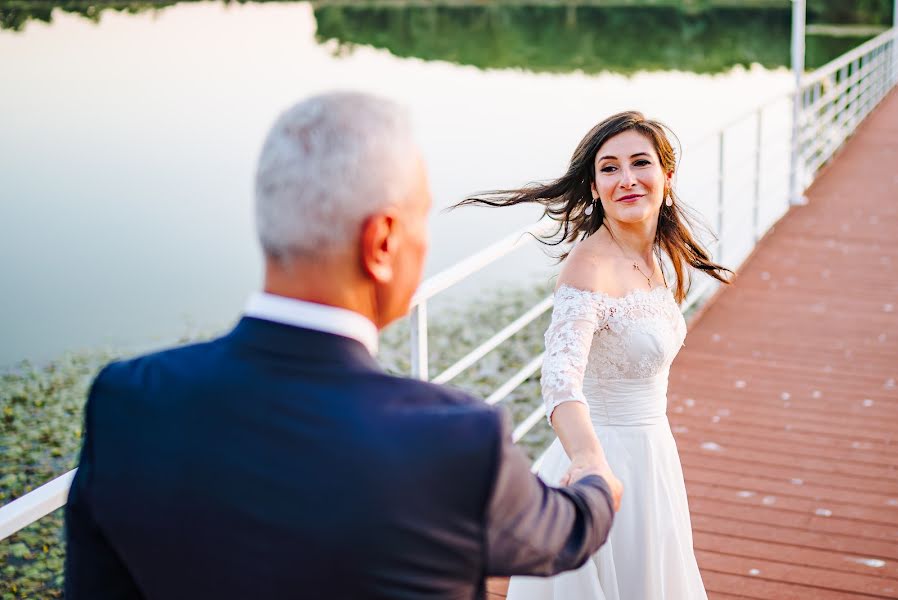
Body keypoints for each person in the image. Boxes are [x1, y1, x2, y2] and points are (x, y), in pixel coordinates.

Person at [64, 92, 623, 600]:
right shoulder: (454, 440)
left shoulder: (127, 400)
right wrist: (598, 481)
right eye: (422, 217)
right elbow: (563, 534)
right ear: (381, 242)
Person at [459, 111, 732, 599]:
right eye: (609, 168)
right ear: (593, 185)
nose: (626, 179)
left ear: (667, 178)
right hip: (607, 461)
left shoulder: (655, 253)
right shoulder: (588, 267)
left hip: (653, 454)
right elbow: (560, 382)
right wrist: (589, 461)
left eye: (639, 163)